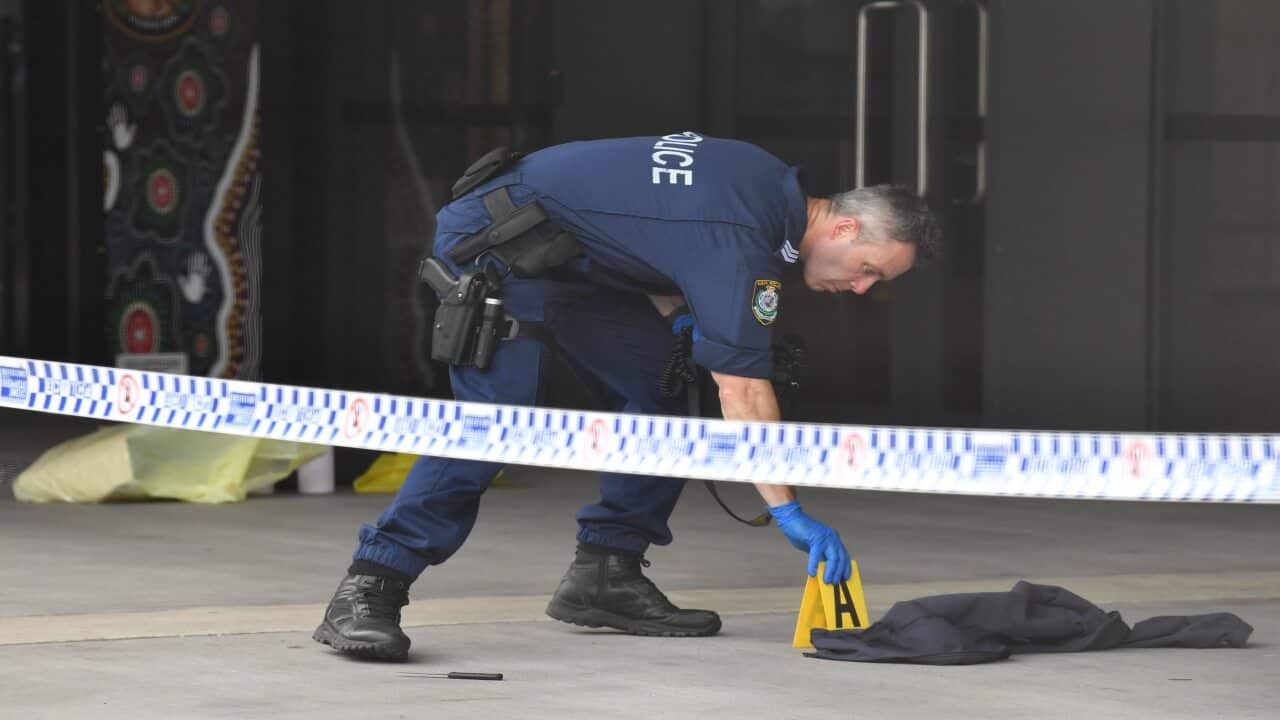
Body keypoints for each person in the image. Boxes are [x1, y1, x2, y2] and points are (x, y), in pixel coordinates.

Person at [313, 131, 941, 661]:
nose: (861, 289)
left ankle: (604, 573)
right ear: (846, 226)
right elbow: (744, 389)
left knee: (666, 387)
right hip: (499, 245)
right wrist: (787, 510)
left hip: (572, 259)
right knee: (492, 424)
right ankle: (370, 585)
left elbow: (647, 233)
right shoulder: (744, 237)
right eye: (868, 270)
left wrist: (676, 316)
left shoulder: (764, 188)